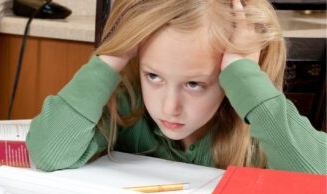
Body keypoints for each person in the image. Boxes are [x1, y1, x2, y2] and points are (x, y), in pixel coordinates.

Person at [26, 0, 326, 174]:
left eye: (194, 84)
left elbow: (318, 177)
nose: (169, 107)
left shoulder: (257, 131)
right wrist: (111, 58)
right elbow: (48, 153)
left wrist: (246, 79)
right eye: (153, 77)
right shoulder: (128, 106)